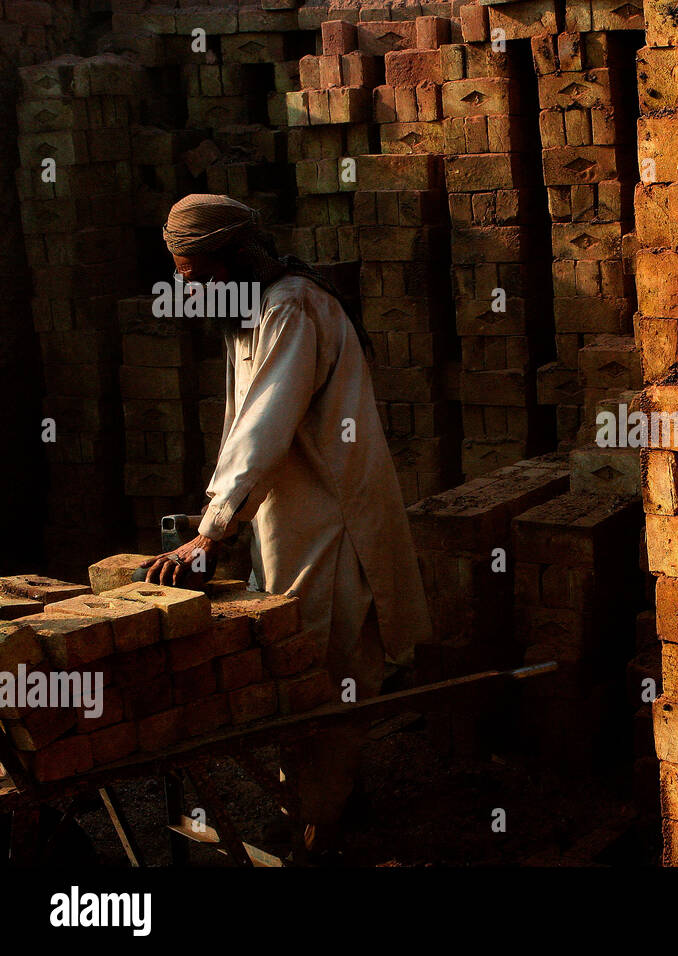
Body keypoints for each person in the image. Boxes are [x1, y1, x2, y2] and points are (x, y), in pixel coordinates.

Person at [140, 194, 432, 860]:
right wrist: (215, 514)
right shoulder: (249, 312)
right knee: (299, 675)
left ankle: (317, 832)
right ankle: (319, 807)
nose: (183, 285)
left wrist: (213, 531)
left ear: (232, 259)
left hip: (331, 524)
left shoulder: (290, 308)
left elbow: (266, 428)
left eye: (192, 270)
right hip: (287, 524)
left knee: (321, 677)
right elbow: (244, 428)